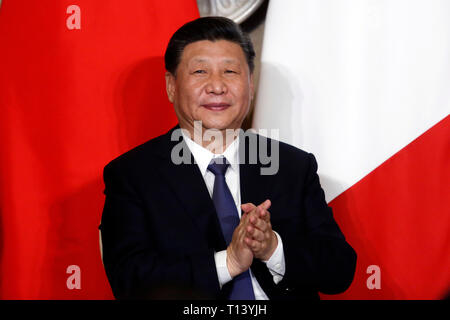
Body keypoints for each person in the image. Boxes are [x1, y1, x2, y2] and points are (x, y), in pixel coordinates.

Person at [99, 16, 356, 300]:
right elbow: (129, 280)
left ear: (251, 84)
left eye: (231, 72)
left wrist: (273, 249)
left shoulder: (293, 166)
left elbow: (340, 270)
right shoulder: (133, 175)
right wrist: (229, 262)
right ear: (171, 86)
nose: (217, 86)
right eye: (200, 72)